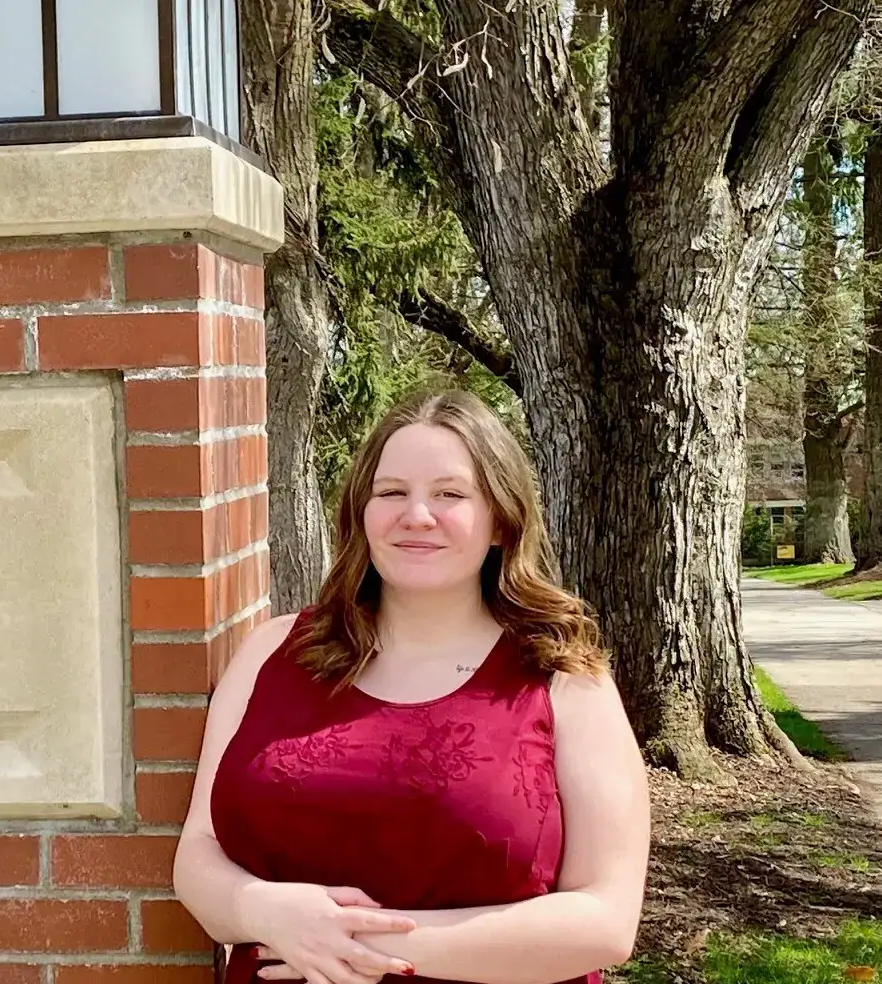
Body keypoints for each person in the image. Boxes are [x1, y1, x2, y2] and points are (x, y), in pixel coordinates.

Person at [174, 390, 649, 984]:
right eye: (392, 492)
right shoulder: (271, 653)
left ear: (501, 520)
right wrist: (259, 909)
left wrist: (357, 945)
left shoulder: (562, 679)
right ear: (362, 512)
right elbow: (197, 854)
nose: (416, 514)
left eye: (450, 494)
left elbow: (605, 921)